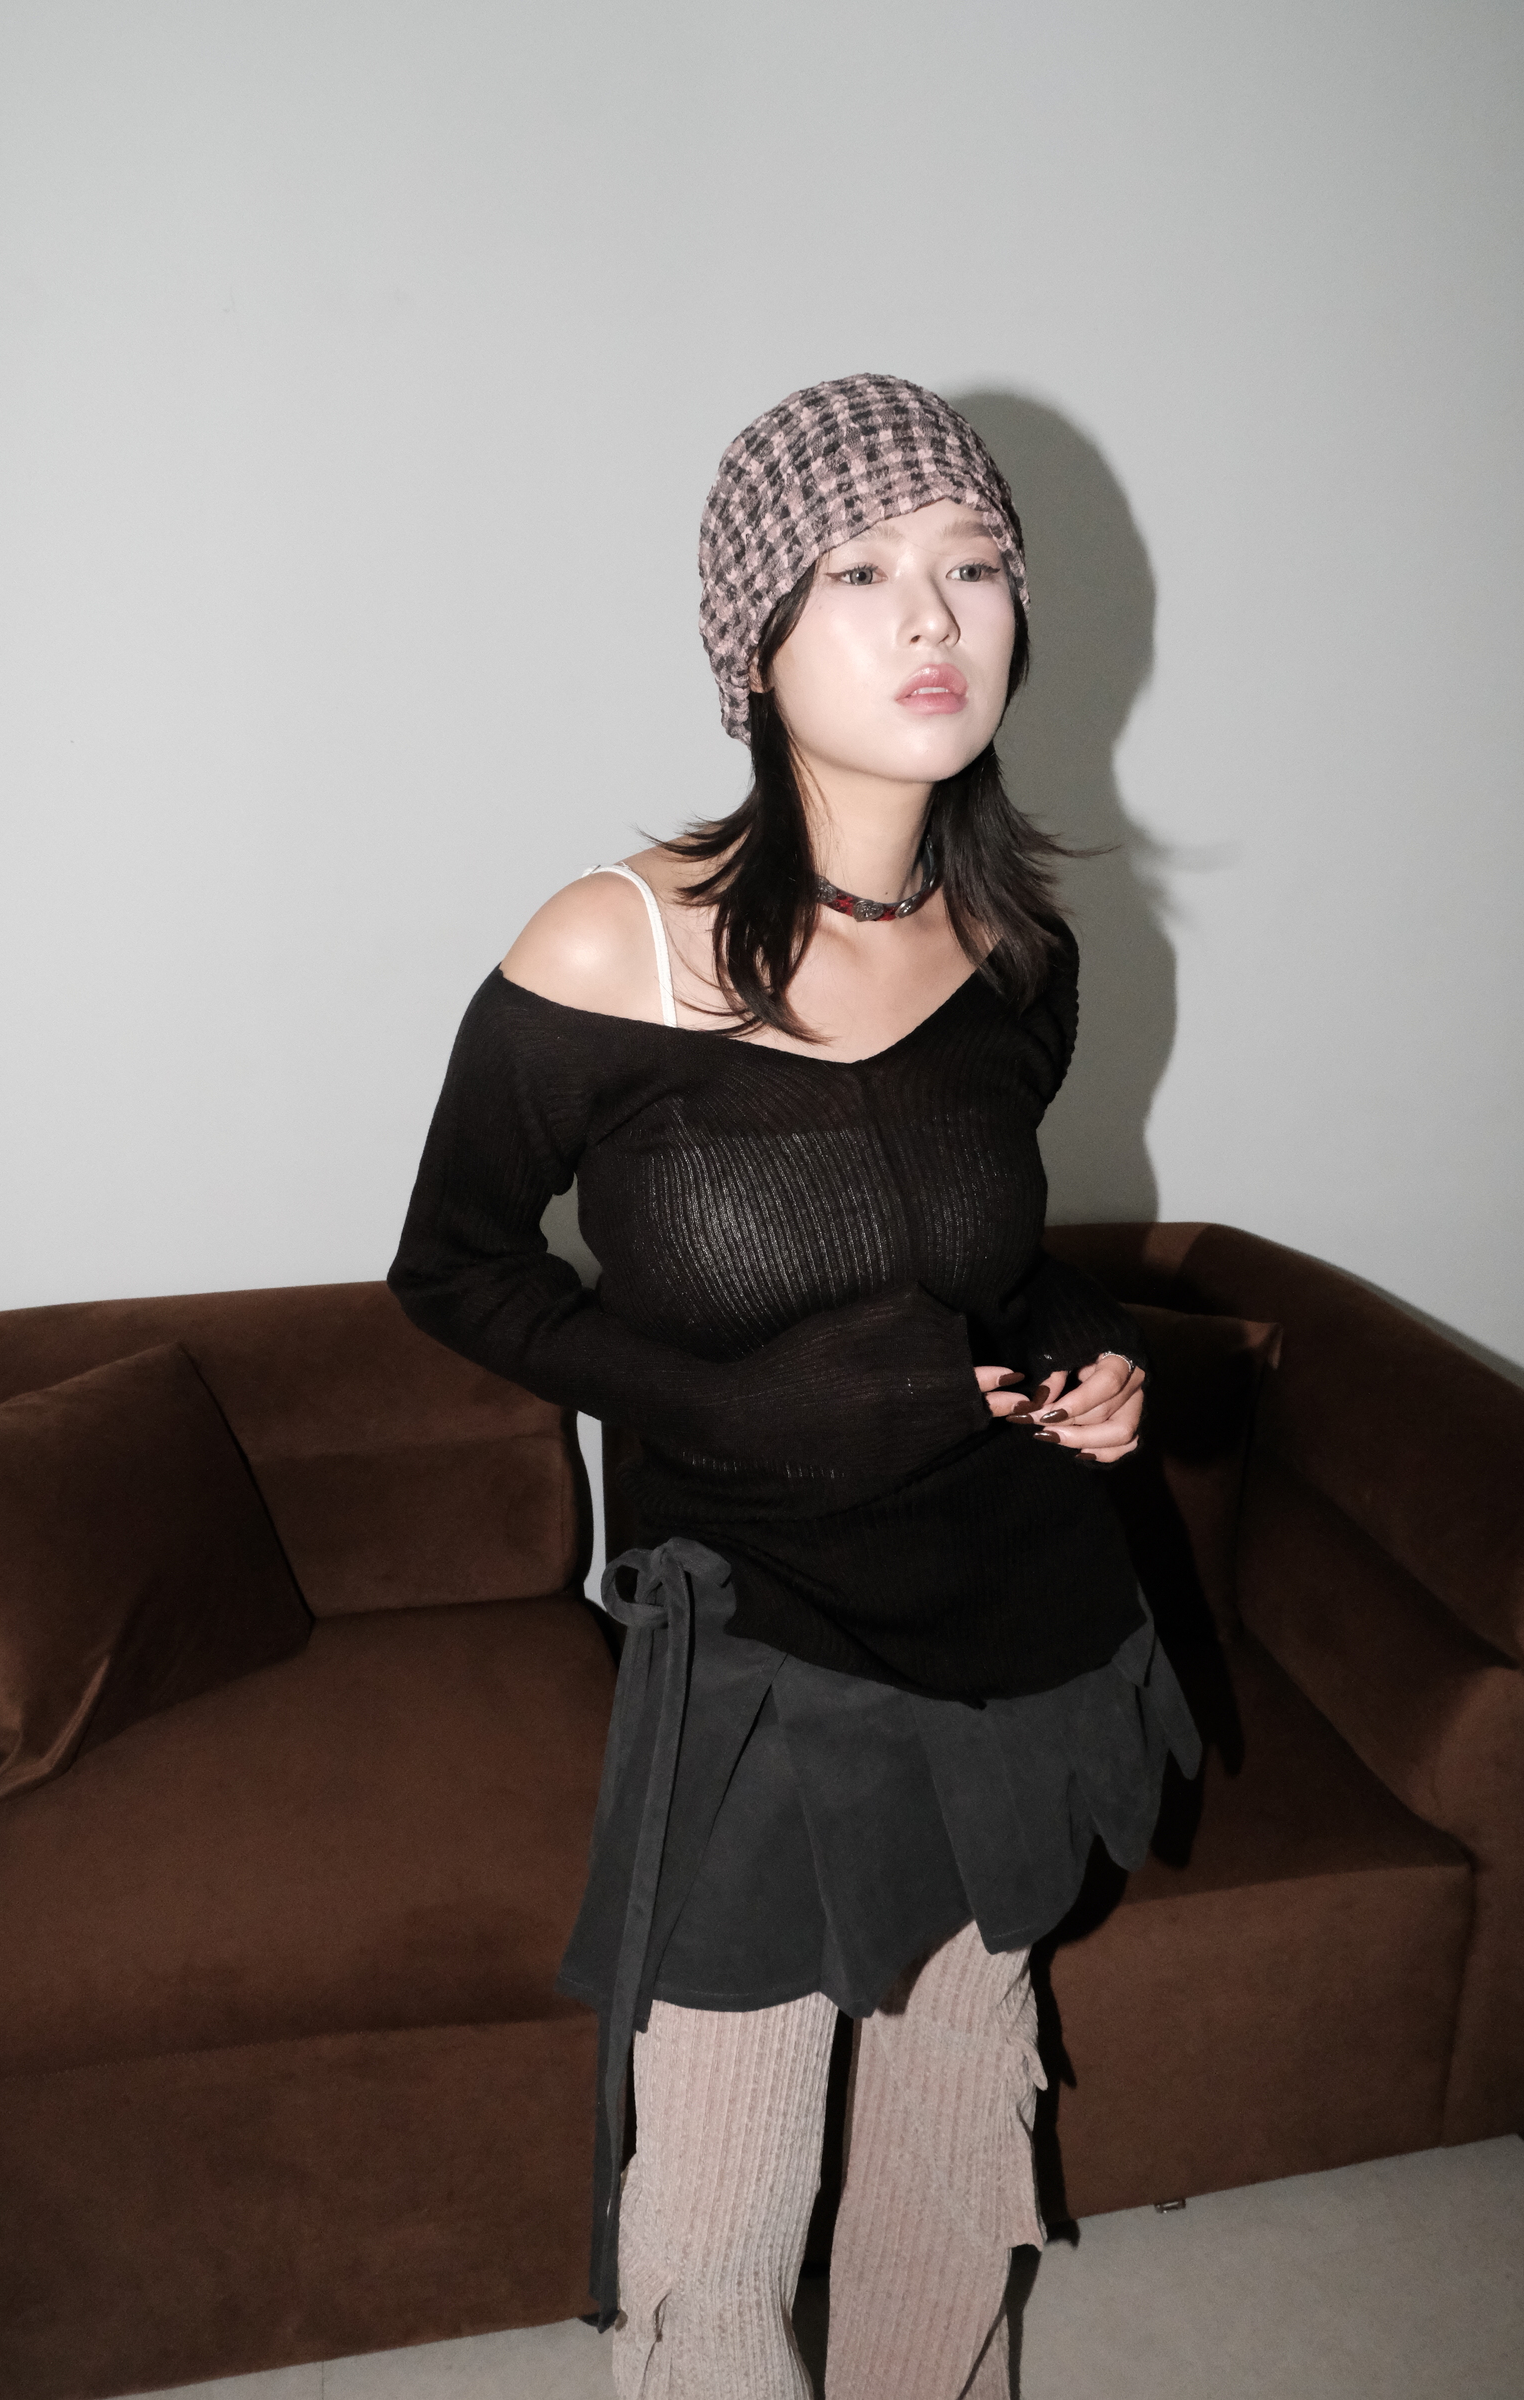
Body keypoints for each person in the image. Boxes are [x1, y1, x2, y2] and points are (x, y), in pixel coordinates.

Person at [388, 373, 1199, 2400]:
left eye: (973, 566)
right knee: (719, 2222)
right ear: (752, 642)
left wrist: (1087, 1361)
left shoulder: (1018, 951)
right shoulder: (615, 949)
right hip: (756, 1642)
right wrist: (721, 1408)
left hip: (1010, 1619)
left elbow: (986, 1268)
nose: (931, 619)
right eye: (858, 572)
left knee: (952, 2153)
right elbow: (454, 1270)